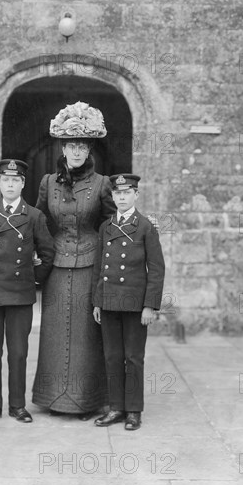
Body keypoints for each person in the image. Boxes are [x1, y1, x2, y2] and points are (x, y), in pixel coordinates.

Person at [32, 102, 116, 419]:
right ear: (63, 148)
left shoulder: (102, 183)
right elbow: (39, 222)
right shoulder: (48, 182)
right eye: (71, 145)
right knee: (54, 334)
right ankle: (51, 397)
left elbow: (111, 225)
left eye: (82, 145)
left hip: (89, 265)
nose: (76, 151)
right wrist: (35, 253)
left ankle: (87, 400)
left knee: (84, 336)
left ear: (89, 148)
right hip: (57, 268)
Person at [0, 159, 54, 425]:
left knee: (18, 352)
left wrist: (32, 280)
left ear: (22, 184)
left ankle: (17, 405)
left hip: (20, 293)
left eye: (15, 180)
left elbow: (47, 253)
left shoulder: (34, 216)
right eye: (5, 180)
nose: (9, 184)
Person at [92, 173, 165, 431]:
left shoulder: (145, 227)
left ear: (136, 195)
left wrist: (150, 306)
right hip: (110, 302)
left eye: (127, 193)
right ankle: (116, 408)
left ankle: (133, 410)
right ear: (112, 196)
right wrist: (97, 302)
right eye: (118, 193)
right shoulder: (106, 227)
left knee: (133, 357)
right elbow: (99, 267)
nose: (122, 197)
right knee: (112, 356)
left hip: (135, 305)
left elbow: (156, 269)